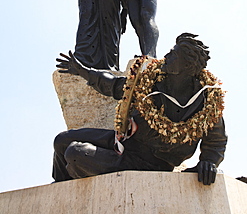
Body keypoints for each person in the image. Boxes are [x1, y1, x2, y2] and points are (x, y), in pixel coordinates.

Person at [53, 33, 227, 186]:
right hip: (124, 140)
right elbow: (113, 85)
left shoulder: (206, 101)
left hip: (150, 164)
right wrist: (83, 71)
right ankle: (59, 187)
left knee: (75, 154)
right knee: (61, 141)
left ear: (188, 66)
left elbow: (216, 141)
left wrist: (209, 161)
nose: (166, 56)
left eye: (174, 54)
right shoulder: (150, 82)